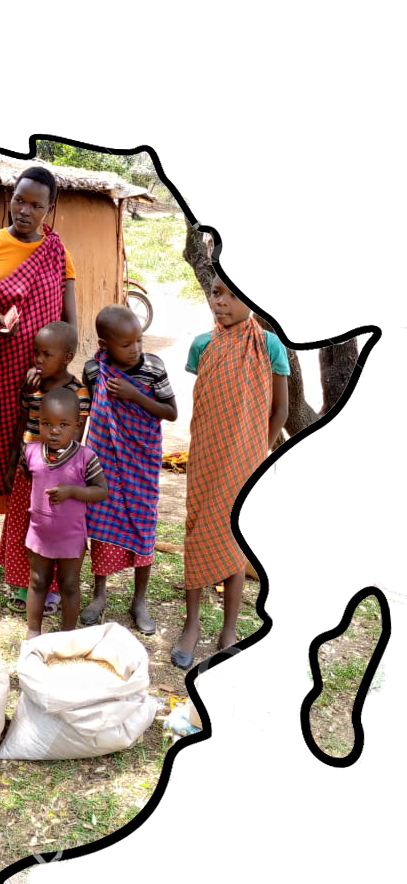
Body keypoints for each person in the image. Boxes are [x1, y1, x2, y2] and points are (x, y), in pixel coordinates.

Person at [0, 166, 77, 592]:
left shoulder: (57, 250)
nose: (26, 211)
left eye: (36, 205)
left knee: (36, 469)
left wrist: (55, 373)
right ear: (11, 197)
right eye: (20, 200)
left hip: (41, 388)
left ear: (50, 209)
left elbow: (71, 322)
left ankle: (24, 555)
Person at [171, 259, 289, 677]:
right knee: (198, 531)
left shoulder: (270, 346)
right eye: (215, 293)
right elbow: (206, 403)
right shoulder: (202, 345)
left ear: (255, 301)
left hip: (247, 464)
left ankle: (228, 632)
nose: (219, 301)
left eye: (229, 294)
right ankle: (190, 625)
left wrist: (259, 449)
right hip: (205, 457)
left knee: (237, 543)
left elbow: (281, 407)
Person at [81, 305, 178, 634]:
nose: (135, 348)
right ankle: (99, 593)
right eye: (126, 344)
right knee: (101, 521)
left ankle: (139, 599)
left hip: (141, 461)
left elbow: (171, 412)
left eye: (139, 340)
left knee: (144, 523)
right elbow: (93, 412)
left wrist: (136, 396)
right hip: (105, 459)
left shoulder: (153, 368)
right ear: (104, 344)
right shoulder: (94, 370)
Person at [0, 322, 90, 612]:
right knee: (24, 529)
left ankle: (51, 589)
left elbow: (75, 437)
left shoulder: (78, 392)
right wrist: (14, 461)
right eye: (36, 353)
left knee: (52, 530)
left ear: (66, 357)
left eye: (45, 354)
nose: (38, 360)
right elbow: (21, 424)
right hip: (27, 473)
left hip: (56, 478)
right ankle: (24, 583)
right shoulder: (33, 387)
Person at [20, 388, 108, 640]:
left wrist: (72, 491)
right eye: (47, 423)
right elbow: (31, 477)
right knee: (37, 582)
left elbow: (101, 491)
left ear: (77, 426)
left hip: (71, 538)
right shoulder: (31, 452)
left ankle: (68, 636)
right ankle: (33, 630)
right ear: (39, 422)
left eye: (63, 424)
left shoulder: (85, 458)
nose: (54, 430)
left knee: (69, 585)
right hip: (39, 534)